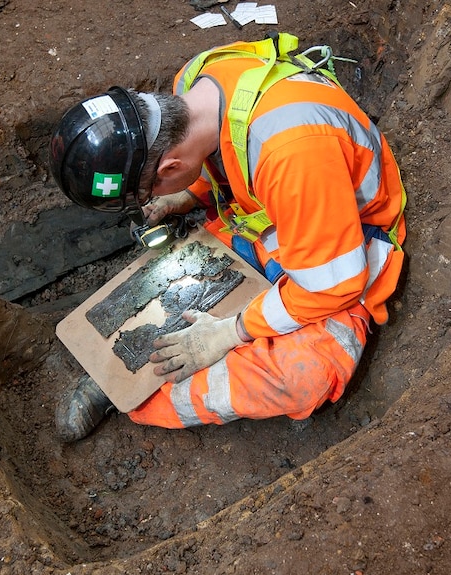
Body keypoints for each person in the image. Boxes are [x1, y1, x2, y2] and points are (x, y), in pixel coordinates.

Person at [49, 34, 407, 441]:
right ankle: (120, 368)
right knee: (186, 276)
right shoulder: (196, 80)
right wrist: (189, 193)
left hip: (342, 245)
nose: (153, 198)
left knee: (304, 375)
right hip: (275, 210)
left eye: (152, 190)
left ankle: (137, 392)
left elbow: (331, 287)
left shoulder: (291, 152)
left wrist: (228, 333)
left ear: (169, 165)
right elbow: (226, 151)